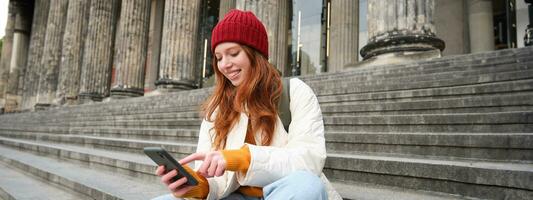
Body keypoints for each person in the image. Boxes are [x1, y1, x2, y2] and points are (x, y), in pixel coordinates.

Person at [153, 9, 341, 200]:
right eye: (218, 57)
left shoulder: (295, 92)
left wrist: (243, 158)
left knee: (307, 185)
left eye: (233, 53)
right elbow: (215, 182)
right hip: (235, 196)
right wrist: (198, 187)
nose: (224, 64)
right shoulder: (218, 110)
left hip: (283, 193)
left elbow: (308, 161)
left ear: (256, 54)